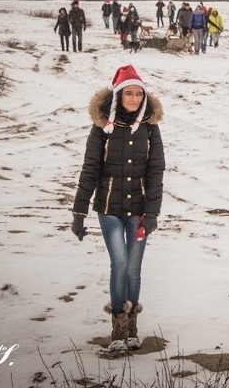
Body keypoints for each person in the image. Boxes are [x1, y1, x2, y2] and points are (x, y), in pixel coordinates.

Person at [70, 65, 165, 352]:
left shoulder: (150, 128)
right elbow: (90, 169)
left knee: (134, 268)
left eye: (139, 93)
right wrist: (79, 211)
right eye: (129, 93)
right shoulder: (102, 129)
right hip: (109, 207)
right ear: (118, 96)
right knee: (120, 263)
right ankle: (118, 329)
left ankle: (132, 328)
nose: (134, 99)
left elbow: (156, 171)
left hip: (138, 210)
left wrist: (151, 215)